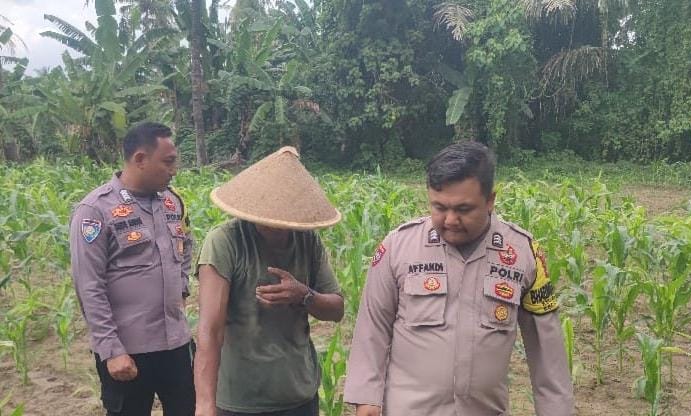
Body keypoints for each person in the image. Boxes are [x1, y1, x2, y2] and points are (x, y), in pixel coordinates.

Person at [343, 141, 575, 416]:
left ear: (490, 200)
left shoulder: (523, 253)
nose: (450, 220)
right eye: (439, 207)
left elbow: (548, 352)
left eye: (464, 209)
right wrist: (367, 399)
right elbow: (372, 327)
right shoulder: (398, 247)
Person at [194, 146, 345, 416]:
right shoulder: (224, 242)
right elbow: (210, 329)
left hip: (297, 394)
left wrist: (304, 295)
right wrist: (205, 404)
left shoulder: (308, 241)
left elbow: (336, 310)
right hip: (239, 399)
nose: (275, 225)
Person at [69, 122, 195, 416]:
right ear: (140, 159)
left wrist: (182, 289)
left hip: (176, 343)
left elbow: (186, 246)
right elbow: (89, 286)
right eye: (168, 162)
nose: (174, 170)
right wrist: (111, 350)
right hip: (127, 351)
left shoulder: (172, 202)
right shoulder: (95, 211)